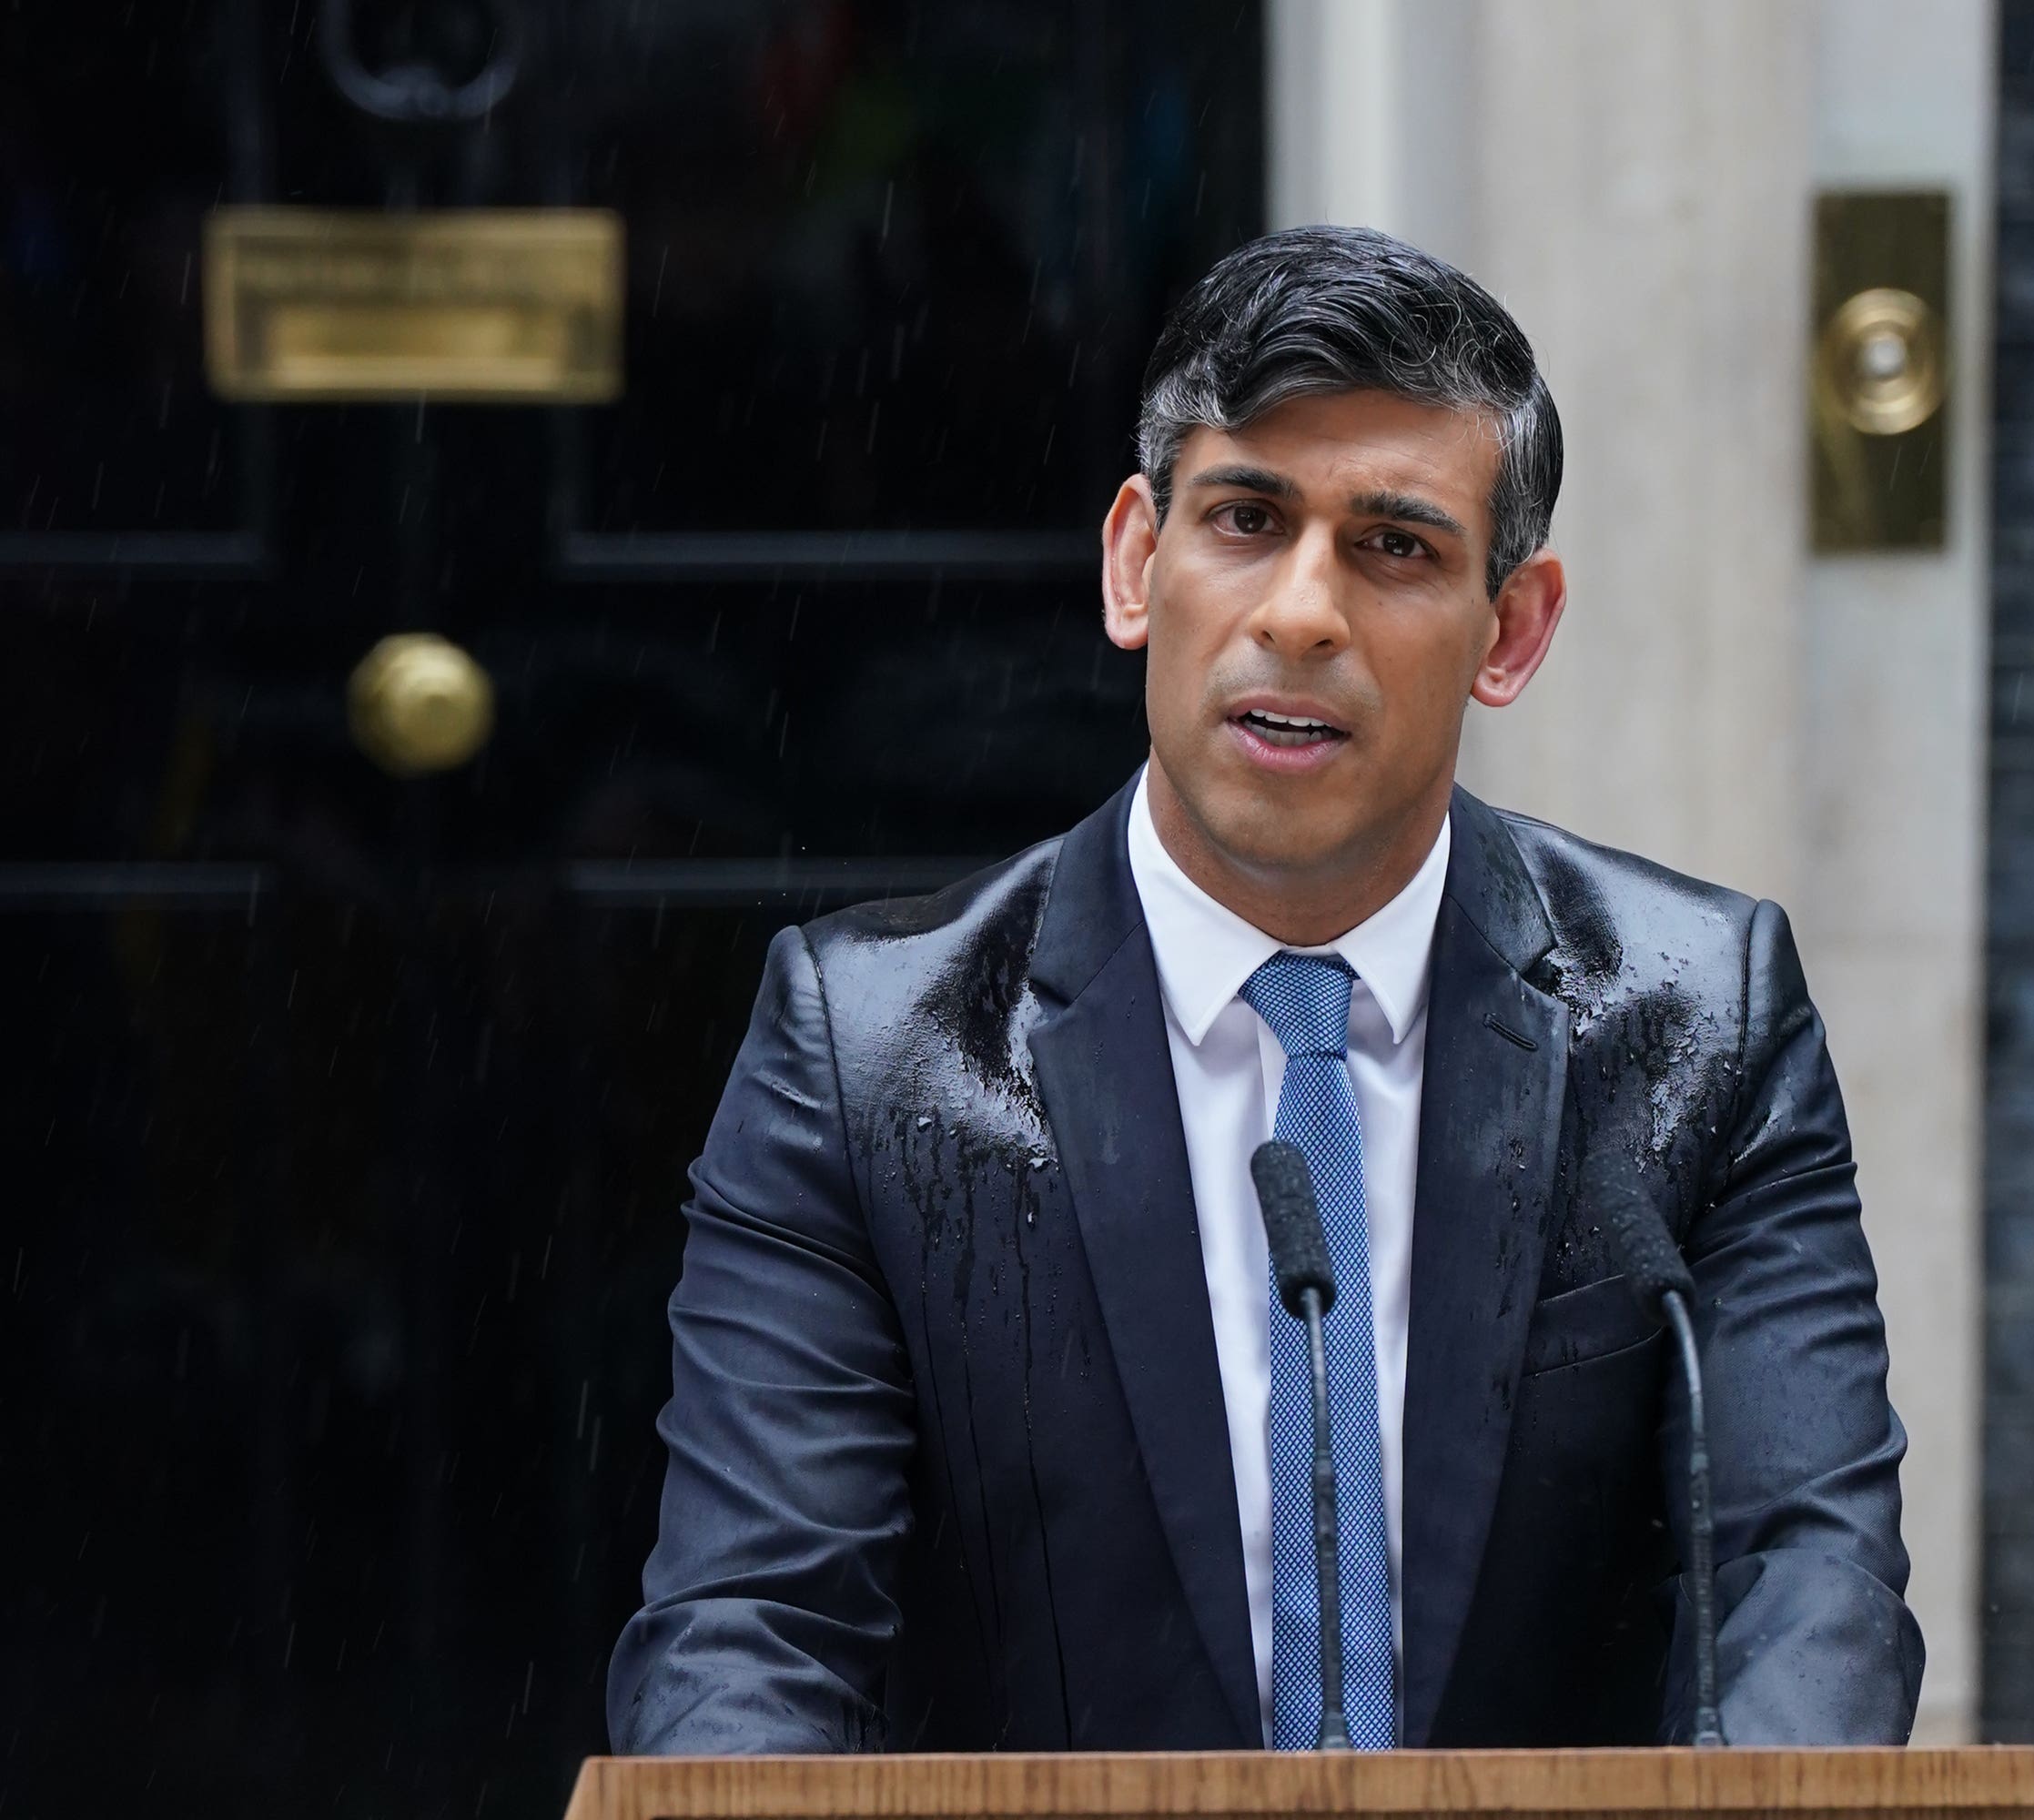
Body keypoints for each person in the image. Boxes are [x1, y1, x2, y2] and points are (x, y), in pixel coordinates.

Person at [606, 226, 1922, 1754]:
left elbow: (1805, 1580)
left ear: (1514, 630)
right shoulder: (869, 1051)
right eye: (1246, 518)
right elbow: (752, 1633)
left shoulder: (1705, 1016)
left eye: (1396, 546)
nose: (1301, 612)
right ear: (1134, 563)